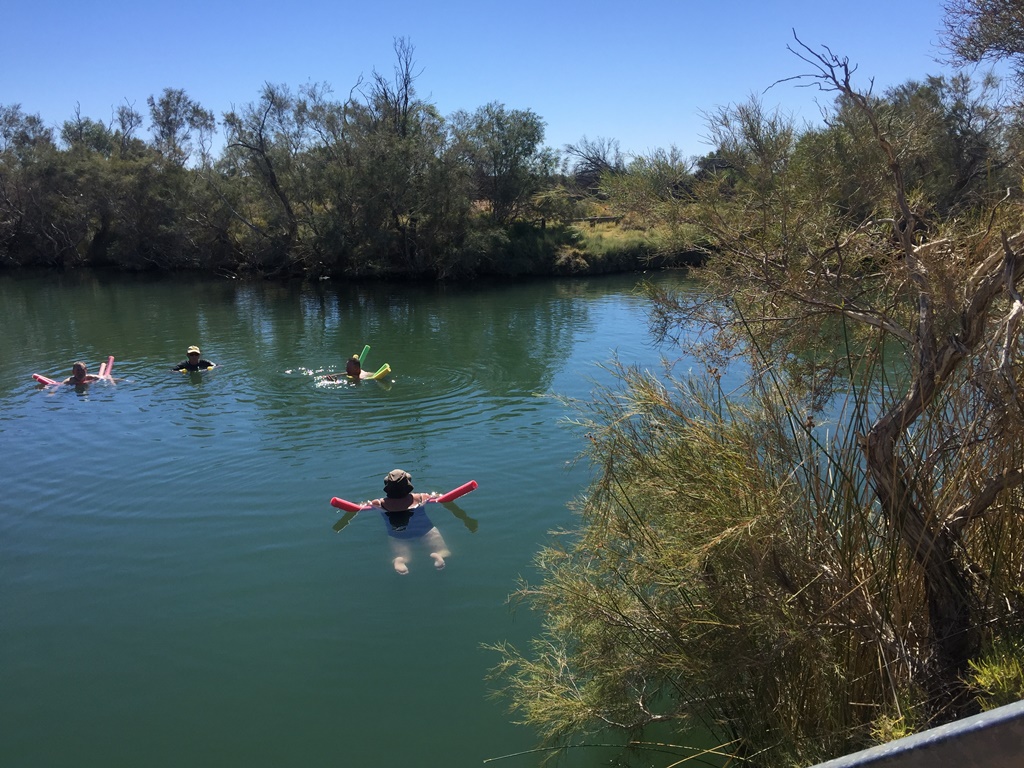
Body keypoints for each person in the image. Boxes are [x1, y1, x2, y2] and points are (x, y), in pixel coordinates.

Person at [368, 469, 450, 574]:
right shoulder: (420, 497)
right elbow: (438, 497)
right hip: (425, 529)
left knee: (402, 555)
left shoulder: (379, 503)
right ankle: (439, 555)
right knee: (442, 550)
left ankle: (400, 560)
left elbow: (367, 505)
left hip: (398, 534)